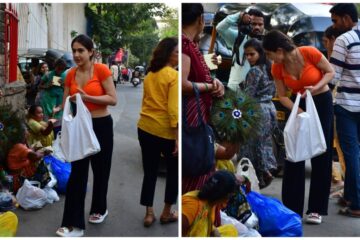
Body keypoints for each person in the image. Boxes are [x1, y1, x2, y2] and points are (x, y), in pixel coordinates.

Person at [262, 30, 335, 224]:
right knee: (294, 154)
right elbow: (282, 95)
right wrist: (300, 110)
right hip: (297, 105)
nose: (269, 59)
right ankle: (292, 208)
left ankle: (316, 209)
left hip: (321, 101)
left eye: (269, 54)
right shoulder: (277, 68)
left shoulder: (309, 52)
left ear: (279, 50)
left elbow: (330, 72)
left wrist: (317, 86)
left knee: (321, 152)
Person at [56, 34, 117, 237]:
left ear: (91, 52)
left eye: (81, 50)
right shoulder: (70, 74)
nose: (76, 54)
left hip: (101, 126)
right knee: (77, 175)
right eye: (74, 50)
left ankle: (100, 208)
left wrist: (86, 97)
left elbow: (112, 99)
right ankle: (73, 223)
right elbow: (66, 104)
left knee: (101, 172)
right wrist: (59, 117)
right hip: (80, 128)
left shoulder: (101, 70)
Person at [182, 3, 225, 194]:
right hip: (192, 117)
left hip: (198, 115)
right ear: (200, 19)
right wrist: (209, 86)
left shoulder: (191, 44)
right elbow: (184, 84)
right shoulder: (184, 44)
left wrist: (215, 83)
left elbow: (201, 77)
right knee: (196, 164)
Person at [137, 37, 179, 227]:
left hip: (145, 127)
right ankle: (166, 213)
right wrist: (178, 137)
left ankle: (149, 213)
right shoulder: (173, 76)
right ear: (169, 54)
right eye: (177, 52)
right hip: (166, 131)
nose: (179, 56)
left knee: (150, 172)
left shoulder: (149, 75)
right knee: (173, 173)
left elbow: (145, 102)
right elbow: (173, 109)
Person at [329, 3, 360, 218]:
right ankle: (349, 195)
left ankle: (357, 203)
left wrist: (316, 98)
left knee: (351, 154)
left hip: (348, 105)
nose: (335, 25)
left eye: (335, 20)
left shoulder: (343, 40)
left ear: (347, 19)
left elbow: (333, 76)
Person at [238, 38, 277, 189]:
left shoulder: (254, 71)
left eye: (251, 54)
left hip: (256, 110)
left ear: (260, 54)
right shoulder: (269, 68)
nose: (248, 58)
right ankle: (265, 171)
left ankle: (260, 174)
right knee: (264, 143)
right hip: (269, 109)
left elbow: (248, 96)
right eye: (246, 55)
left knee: (250, 147)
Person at [216, 8, 265, 91]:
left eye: (260, 24)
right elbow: (220, 28)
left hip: (258, 93)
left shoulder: (267, 43)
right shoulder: (237, 37)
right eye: (253, 24)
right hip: (236, 91)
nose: (257, 27)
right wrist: (240, 15)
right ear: (247, 24)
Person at [322, 25, 346, 196]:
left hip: (342, 106)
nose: (325, 45)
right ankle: (341, 183)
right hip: (334, 106)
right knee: (336, 147)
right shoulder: (327, 59)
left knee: (343, 148)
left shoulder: (340, 58)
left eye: (326, 41)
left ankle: (342, 184)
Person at [182, 170, 239, 237]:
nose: (228, 199)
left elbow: (205, 223)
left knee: (231, 230)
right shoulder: (192, 206)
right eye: (229, 195)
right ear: (221, 194)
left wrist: (214, 230)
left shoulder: (210, 203)